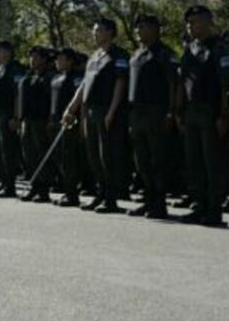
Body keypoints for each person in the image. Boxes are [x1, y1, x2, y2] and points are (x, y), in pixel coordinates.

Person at [63, 18, 129, 214]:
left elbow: (120, 84)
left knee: (107, 156)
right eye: (94, 31)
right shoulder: (94, 57)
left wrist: (111, 111)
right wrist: (71, 108)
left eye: (98, 30)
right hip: (90, 111)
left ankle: (110, 199)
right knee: (93, 156)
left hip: (106, 111)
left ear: (110, 32)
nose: (94, 34)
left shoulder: (118, 55)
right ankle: (100, 195)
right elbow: (84, 85)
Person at [127, 14, 178, 220]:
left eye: (144, 27)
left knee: (158, 160)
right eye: (138, 27)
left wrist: (171, 112)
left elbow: (173, 83)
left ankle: (159, 204)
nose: (139, 31)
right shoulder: (136, 55)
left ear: (156, 30)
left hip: (156, 111)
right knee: (142, 161)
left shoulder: (165, 54)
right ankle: (148, 201)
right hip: (136, 112)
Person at [18, 46, 55, 202]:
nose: (32, 60)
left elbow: (52, 102)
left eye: (36, 57)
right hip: (28, 120)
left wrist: (50, 120)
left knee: (41, 155)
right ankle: (34, 187)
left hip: (41, 121)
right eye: (31, 57)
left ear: (44, 60)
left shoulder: (50, 78)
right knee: (29, 155)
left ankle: (43, 189)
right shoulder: (29, 77)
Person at [0, 41, 25, 198]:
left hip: (8, 114)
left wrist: (16, 116)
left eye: (1, 51)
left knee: (8, 152)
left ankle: (10, 186)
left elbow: (18, 95)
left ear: (9, 52)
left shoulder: (15, 70)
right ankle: (3, 183)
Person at [50, 47, 84, 207]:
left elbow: (81, 102)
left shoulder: (76, 78)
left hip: (70, 123)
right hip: (56, 121)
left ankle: (72, 193)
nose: (57, 61)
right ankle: (66, 189)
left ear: (70, 60)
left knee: (69, 158)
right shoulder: (56, 78)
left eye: (61, 58)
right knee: (60, 157)